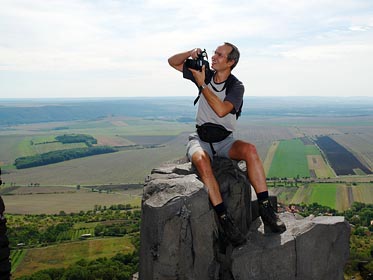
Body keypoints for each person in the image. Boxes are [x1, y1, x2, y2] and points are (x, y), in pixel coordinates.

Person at [168, 42, 286, 246]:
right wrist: (190, 53)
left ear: (231, 62)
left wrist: (202, 84)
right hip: (201, 139)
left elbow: (222, 110)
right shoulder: (203, 72)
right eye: (214, 53)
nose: (214, 57)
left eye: (219, 55)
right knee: (203, 161)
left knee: (250, 150)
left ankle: (266, 209)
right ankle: (225, 219)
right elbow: (172, 62)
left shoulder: (236, 86)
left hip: (225, 141)